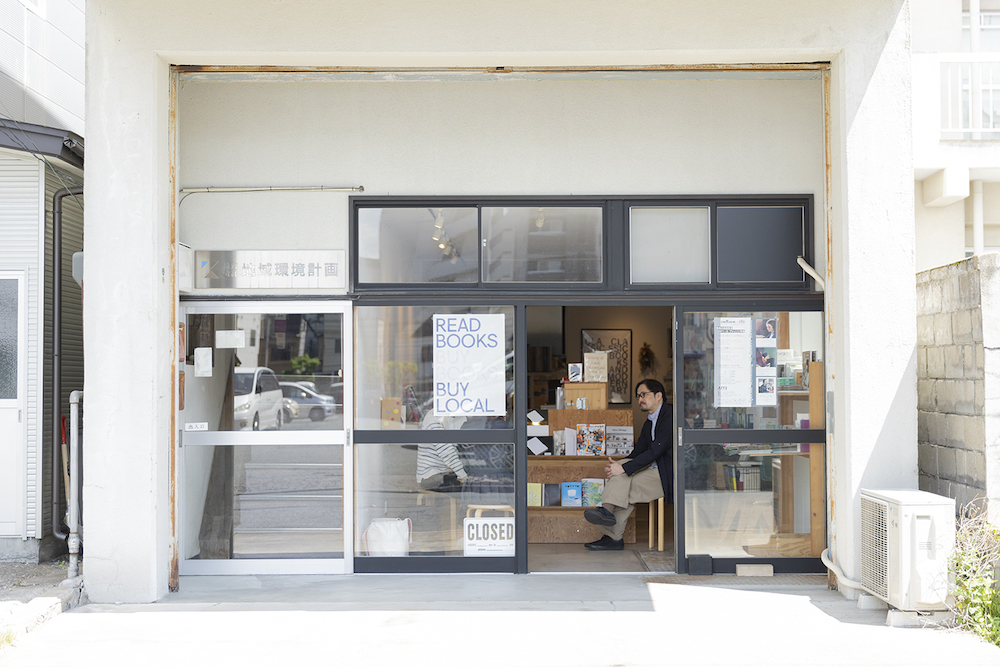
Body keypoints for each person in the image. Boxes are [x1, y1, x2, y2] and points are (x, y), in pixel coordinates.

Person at [582, 379, 673, 551]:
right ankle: (609, 522)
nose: (640, 399)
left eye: (643, 395)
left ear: (658, 395)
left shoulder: (670, 416)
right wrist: (619, 465)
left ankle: (611, 530)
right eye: (638, 396)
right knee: (622, 483)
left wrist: (623, 468)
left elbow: (656, 450)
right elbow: (638, 453)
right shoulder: (649, 422)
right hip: (654, 470)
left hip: (668, 474)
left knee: (622, 488)